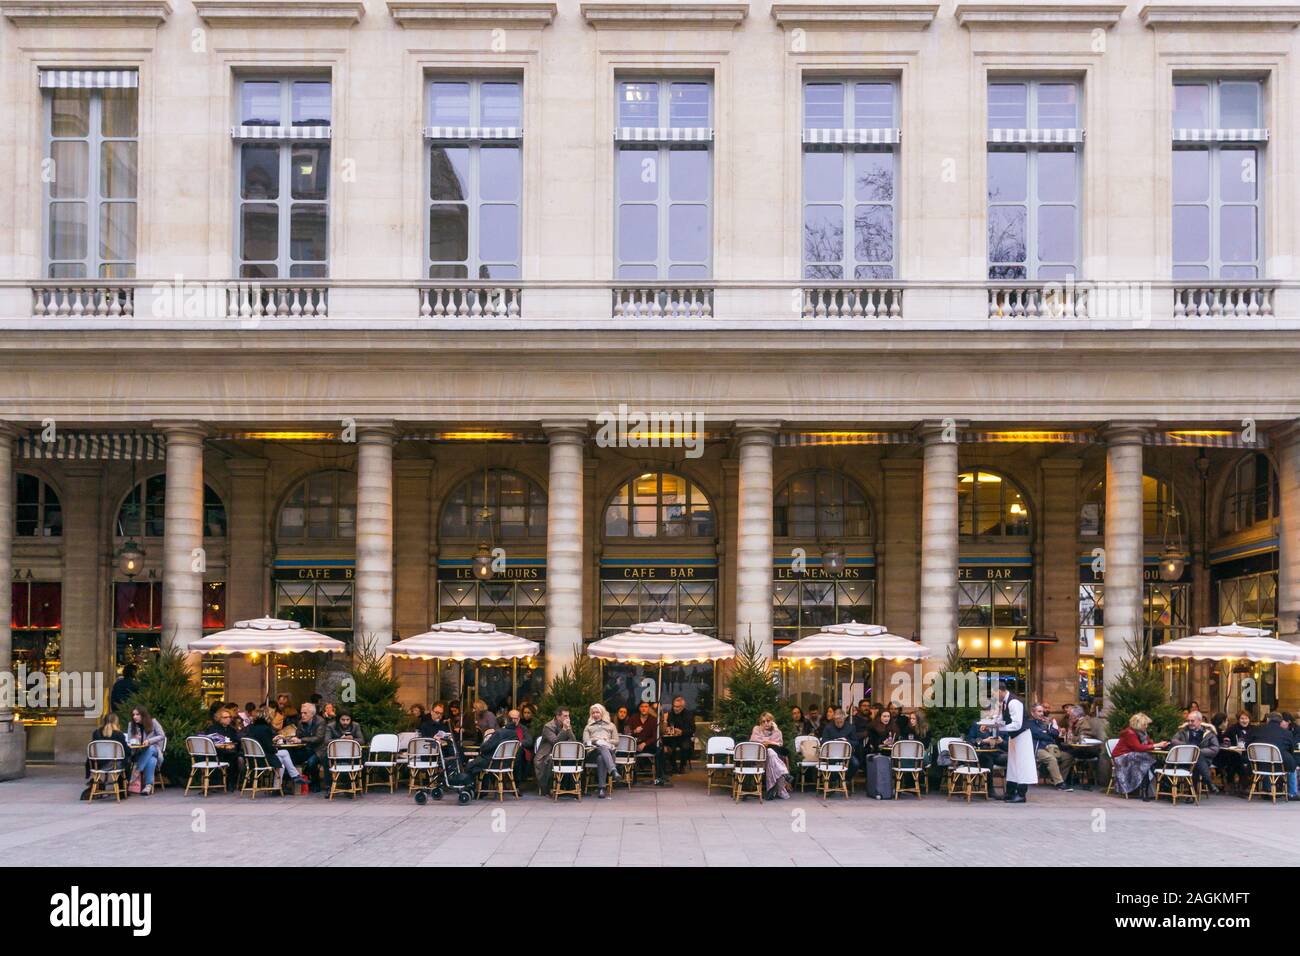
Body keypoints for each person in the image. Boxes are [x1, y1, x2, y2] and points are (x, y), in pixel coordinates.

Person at [246, 706, 305, 793]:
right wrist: (275, 748)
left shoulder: (252, 727)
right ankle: (294, 776)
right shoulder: (266, 729)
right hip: (262, 759)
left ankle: (278, 787)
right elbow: (270, 749)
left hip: (253, 759)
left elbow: (260, 742)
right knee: (284, 752)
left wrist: (272, 740)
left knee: (281, 759)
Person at [994, 682, 1035, 803]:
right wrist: (990, 724)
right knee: (1012, 765)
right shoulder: (1005, 702)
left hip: (1022, 736)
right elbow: (1001, 719)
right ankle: (1010, 792)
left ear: (1001, 691)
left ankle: (1021, 794)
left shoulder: (1014, 702)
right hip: (1014, 736)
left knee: (1022, 765)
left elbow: (1017, 724)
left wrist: (999, 728)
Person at [1112, 713, 1168, 801]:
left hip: (1133, 755)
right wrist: (1156, 745)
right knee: (1146, 759)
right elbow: (1138, 747)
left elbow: (1149, 744)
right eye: (1144, 724)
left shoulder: (1142, 733)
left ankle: (1146, 791)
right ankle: (1156, 787)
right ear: (1138, 724)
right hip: (1122, 757)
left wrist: (1160, 745)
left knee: (1145, 763)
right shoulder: (1129, 733)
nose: (1146, 726)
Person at [1246, 712, 1299, 800]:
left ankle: (1267, 790)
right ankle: (1292, 793)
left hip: (1259, 764)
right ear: (1281, 721)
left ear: (1267, 720)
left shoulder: (1257, 729)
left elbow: (1247, 745)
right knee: (1292, 762)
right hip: (1279, 765)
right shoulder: (1286, 733)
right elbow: (1291, 749)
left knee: (1268, 762)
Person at [1170, 709, 1220, 794]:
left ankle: (1191, 794)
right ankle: (1209, 783)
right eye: (1188, 721)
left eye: (1192, 721)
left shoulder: (1209, 733)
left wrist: (1197, 751)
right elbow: (1174, 741)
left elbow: (1215, 749)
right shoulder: (1183, 731)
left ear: (1200, 721)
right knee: (1195, 757)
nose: (1189, 723)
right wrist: (1189, 747)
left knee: (1196, 758)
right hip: (1184, 759)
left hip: (1203, 760)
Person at [1029, 702, 1074, 791]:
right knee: (1051, 759)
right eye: (1039, 711)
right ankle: (1060, 784)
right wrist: (1048, 734)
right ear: (1033, 713)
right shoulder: (1030, 723)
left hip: (1051, 748)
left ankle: (1057, 779)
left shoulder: (1045, 723)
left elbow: (1056, 733)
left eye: (1042, 711)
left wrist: (1048, 726)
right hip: (1038, 749)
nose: (1041, 714)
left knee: (1068, 756)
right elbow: (1038, 735)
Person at [83, 713, 129, 799]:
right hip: (114, 765)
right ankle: (122, 790)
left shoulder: (96, 733)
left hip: (97, 765)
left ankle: (98, 786)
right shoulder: (119, 735)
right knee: (127, 762)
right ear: (116, 722)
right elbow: (125, 752)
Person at [626, 700, 672, 786]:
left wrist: (645, 744)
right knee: (628, 752)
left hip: (648, 744)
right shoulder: (633, 718)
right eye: (642, 706)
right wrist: (634, 731)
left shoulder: (653, 720)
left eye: (646, 707)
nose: (644, 708)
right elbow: (626, 732)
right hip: (635, 743)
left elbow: (655, 736)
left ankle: (659, 778)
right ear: (639, 708)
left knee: (660, 749)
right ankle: (633, 779)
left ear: (649, 709)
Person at [750, 712, 794, 799]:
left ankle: (771, 791)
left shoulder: (777, 732)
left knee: (770, 752)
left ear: (772, 722)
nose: (766, 723)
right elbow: (755, 740)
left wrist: (774, 733)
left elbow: (779, 744)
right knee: (771, 752)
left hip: (772, 761)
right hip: (760, 760)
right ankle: (784, 774)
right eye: (763, 721)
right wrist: (771, 742)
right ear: (760, 723)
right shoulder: (756, 729)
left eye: (768, 721)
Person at [125, 705, 166, 796]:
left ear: (143, 715)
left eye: (137, 714)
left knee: (151, 748)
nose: (135, 717)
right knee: (151, 760)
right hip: (139, 753)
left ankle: (136, 771)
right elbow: (129, 741)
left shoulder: (153, 722)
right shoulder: (131, 725)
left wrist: (149, 741)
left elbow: (162, 735)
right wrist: (135, 739)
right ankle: (148, 786)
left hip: (155, 751)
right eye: (133, 715)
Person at [582, 703, 621, 798]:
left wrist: (606, 740)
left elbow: (616, 741)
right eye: (593, 713)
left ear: (602, 713)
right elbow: (586, 741)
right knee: (600, 749)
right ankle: (613, 770)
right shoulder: (588, 727)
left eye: (597, 712)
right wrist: (596, 741)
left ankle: (602, 789)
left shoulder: (611, 725)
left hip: (608, 752)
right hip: (593, 753)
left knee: (601, 757)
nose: (595, 714)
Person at [534, 706, 575, 795]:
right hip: (545, 755)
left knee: (572, 759)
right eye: (565, 716)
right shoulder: (548, 727)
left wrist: (569, 729)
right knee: (552, 760)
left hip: (561, 754)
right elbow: (556, 742)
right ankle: (551, 788)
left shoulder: (566, 725)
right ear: (558, 716)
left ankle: (569, 787)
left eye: (568, 716)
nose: (567, 718)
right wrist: (564, 729)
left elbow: (573, 741)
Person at [203, 706, 242, 792]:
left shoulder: (231, 729)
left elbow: (236, 741)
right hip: (215, 753)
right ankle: (225, 783)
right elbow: (210, 741)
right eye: (225, 717)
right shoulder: (213, 728)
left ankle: (230, 784)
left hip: (229, 751)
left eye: (229, 717)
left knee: (234, 756)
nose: (228, 719)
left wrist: (232, 745)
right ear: (219, 718)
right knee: (232, 757)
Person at [819, 705, 860, 780]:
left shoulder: (850, 727)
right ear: (834, 719)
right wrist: (834, 742)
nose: (839, 724)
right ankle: (833, 782)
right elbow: (823, 741)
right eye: (837, 722)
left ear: (844, 719)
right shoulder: (828, 727)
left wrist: (846, 741)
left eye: (841, 722)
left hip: (847, 755)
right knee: (831, 767)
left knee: (855, 764)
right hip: (831, 755)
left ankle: (845, 779)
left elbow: (856, 742)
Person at [295, 701, 328, 792]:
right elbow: (298, 735)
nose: (302, 715)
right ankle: (297, 783)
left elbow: (318, 738)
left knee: (311, 762)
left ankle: (316, 784)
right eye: (301, 713)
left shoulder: (320, 721)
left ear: (312, 714)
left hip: (319, 749)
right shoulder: (301, 722)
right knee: (293, 756)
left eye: (305, 713)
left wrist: (301, 740)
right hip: (307, 748)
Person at [1217, 710, 1253, 790]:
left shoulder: (1253, 729)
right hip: (1234, 753)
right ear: (1238, 719)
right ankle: (1244, 782)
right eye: (1242, 719)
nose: (1244, 721)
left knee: (1246, 762)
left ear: (1249, 719)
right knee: (1235, 759)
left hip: (1249, 754)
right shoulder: (1232, 728)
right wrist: (1226, 740)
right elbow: (1224, 739)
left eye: (1246, 718)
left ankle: (1244, 782)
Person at [660, 696, 694, 773]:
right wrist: (666, 725)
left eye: (678, 707)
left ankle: (682, 766)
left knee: (685, 747)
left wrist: (682, 732)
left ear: (683, 706)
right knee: (669, 747)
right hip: (672, 738)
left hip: (684, 737)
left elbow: (692, 730)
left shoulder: (689, 714)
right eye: (674, 706)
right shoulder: (670, 714)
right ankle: (673, 766)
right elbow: (664, 729)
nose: (675, 708)